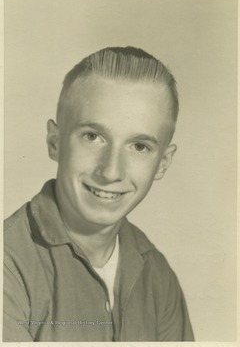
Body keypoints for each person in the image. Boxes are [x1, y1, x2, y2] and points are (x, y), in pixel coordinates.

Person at [3, 46, 194, 342]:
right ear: (55, 142)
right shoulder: (8, 264)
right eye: (93, 137)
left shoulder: (158, 274)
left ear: (163, 163)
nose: (110, 171)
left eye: (139, 146)